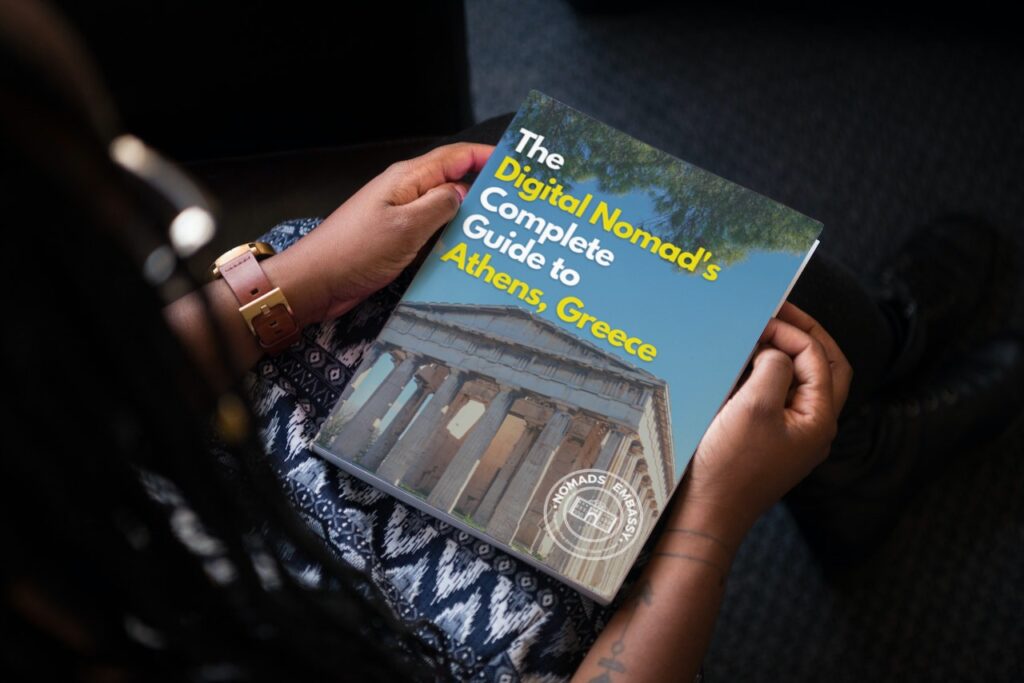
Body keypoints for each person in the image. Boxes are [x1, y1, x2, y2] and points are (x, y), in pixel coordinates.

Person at [3, 1, 1023, 681]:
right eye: (118, 202)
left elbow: (85, 395)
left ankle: (858, 429)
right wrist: (712, 524)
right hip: (470, 622)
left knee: (621, 213)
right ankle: (864, 432)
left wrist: (297, 281)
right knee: (783, 320)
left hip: (277, 412)